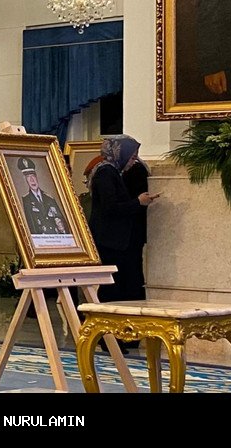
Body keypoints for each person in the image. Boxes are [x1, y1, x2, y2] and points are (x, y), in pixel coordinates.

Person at [88, 135, 158, 323]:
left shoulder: (113, 172)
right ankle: (107, 331)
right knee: (113, 289)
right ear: (122, 154)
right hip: (110, 242)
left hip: (118, 241)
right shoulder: (105, 173)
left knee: (124, 285)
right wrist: (138, 202)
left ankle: (121, 330)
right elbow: (110, 208)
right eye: (132, 157)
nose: (133, 162)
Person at [18, 157, 67, 235]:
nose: (32, 180)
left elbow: (62, 223)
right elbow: (31, 226)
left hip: (56, 238)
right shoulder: (26, 200)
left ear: (36, 177)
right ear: (25, 179)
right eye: (28, 177)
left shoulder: (49, 199)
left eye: (33, 176)